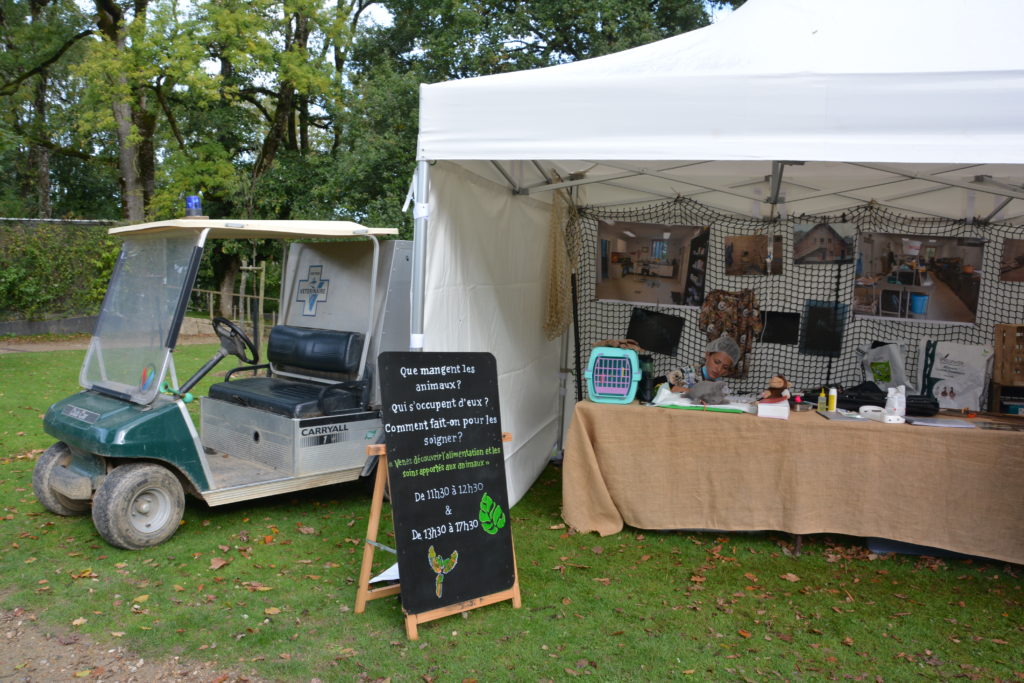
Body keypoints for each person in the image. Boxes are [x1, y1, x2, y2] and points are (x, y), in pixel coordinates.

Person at [664, 335, 740, 393]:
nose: (719, 369)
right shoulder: (683, 373)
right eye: (716, 362)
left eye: (725, 367)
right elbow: (659, 389)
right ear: (707, 355)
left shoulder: (721, 387)